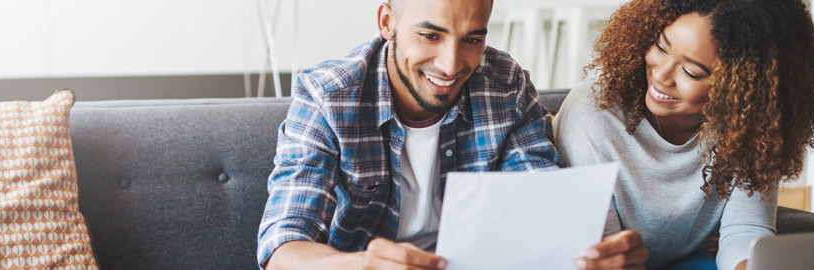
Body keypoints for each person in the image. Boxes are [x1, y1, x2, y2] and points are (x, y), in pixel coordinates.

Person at [258, 0, 649, 269]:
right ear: (386, 22)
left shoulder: (505, 85)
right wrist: (359, 264)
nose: (450, 65)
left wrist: (592, 252)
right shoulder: (328, 97)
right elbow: (283, 247)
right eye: (430, 35)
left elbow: (538, 192)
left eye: (472, 40)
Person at [554, 0, 814, 269]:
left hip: (690, 261)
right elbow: (602, 252)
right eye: (660, 47)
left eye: (690, 72)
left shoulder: (750, 127)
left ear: (739, 85)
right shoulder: (593, 113)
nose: (662, 76)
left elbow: (745, 230)